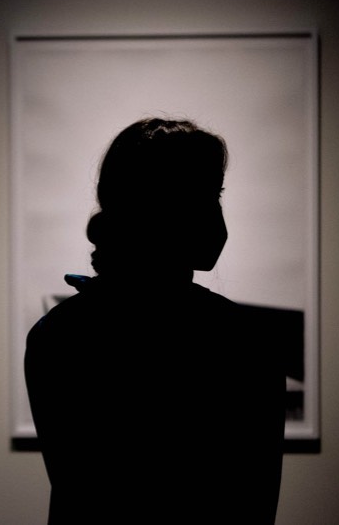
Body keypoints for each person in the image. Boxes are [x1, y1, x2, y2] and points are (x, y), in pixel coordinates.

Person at [24, 118, 285, 523]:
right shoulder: (242, 340)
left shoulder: (58, 334)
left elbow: (84, 494)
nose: (216, 215)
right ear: (160, 207)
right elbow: (254, 502)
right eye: (208, 195)